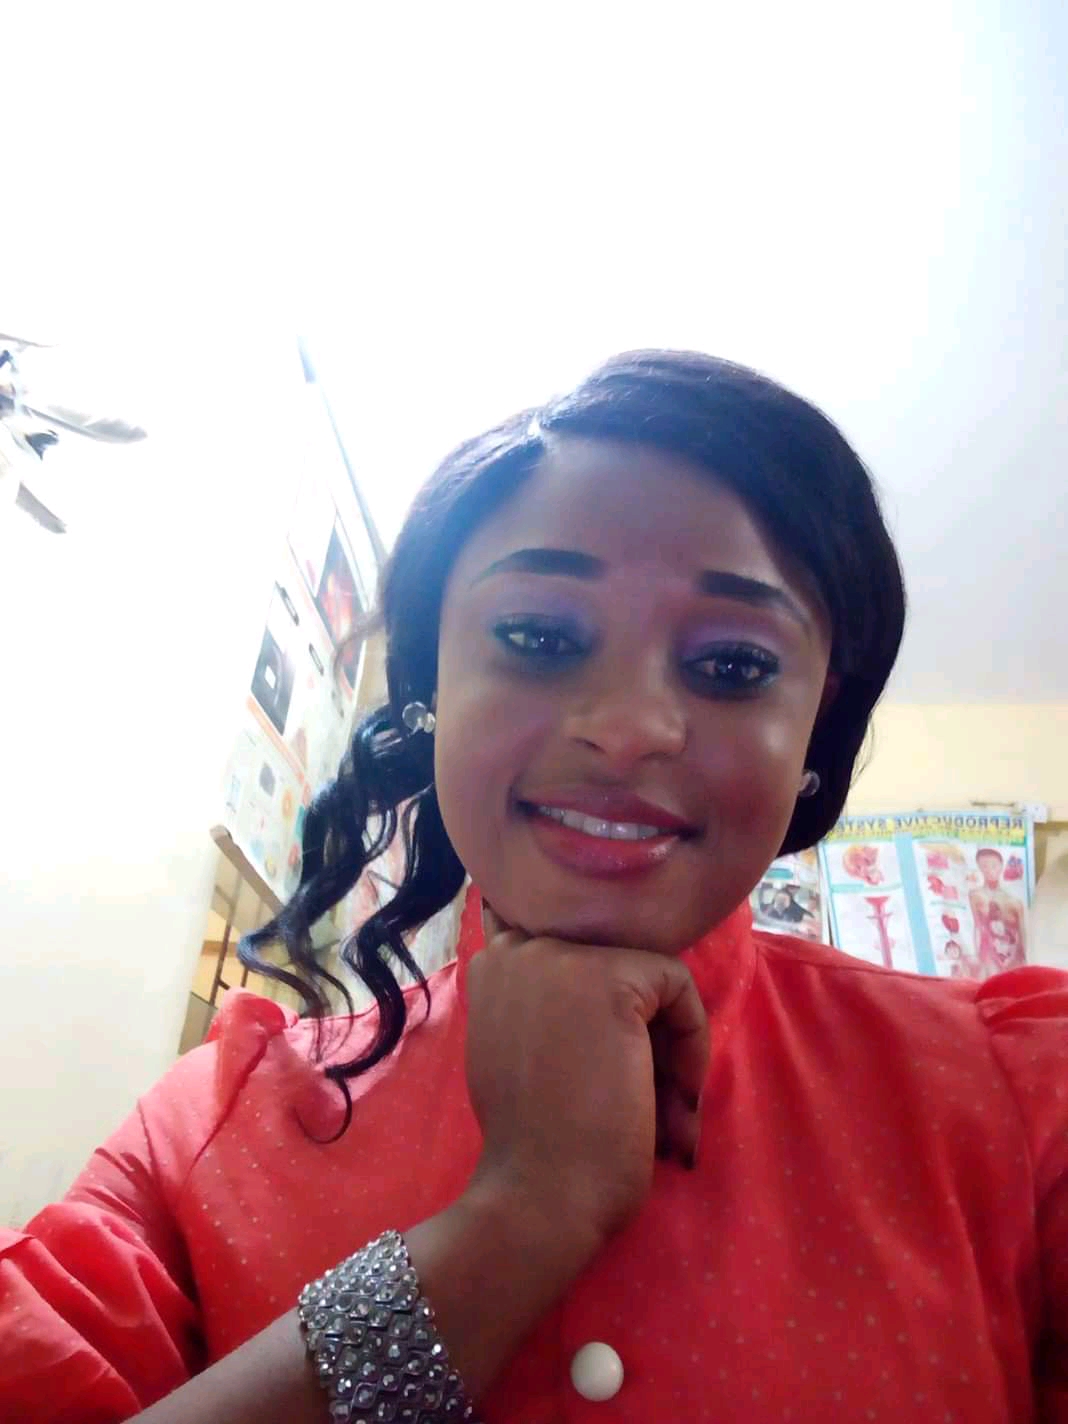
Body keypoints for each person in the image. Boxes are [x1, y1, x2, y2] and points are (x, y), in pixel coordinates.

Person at [2, 350, 1065, 1423]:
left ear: (813, 729)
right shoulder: (209, 1129)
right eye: (539, 637)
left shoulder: (1023, 1108)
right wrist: (515, 1218)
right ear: (434, 687)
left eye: (734, 665)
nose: (629, 728)